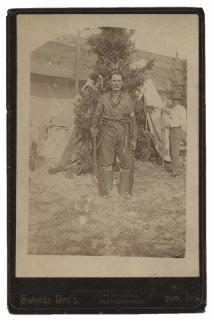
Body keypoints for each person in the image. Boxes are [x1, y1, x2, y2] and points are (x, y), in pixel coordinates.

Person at [91, 72, 137, 199]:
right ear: (110, 83)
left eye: (119, 81)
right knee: (106, 161)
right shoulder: (103, 98)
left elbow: (133, 120)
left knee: (126, 161)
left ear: (122, 83)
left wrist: (134, 138)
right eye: (114, 81)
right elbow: (96, 114)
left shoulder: (128, 99)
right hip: (107, 132)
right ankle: (107, 189)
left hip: (124, 133)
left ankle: (124, 190)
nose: (116, 83)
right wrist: (93, 126)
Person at [163, 95, 187, 177]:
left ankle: (175, 171)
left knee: (174, 152)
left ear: (179, 101)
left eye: (176, 100)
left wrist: (171, 124)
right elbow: (169, 113)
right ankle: (173, 168)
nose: (174, 101)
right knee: (171, 150)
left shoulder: (182, 109)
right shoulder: (173, 109)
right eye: (174, 99)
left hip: (177, 130)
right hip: (172, 130)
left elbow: (183, 121)